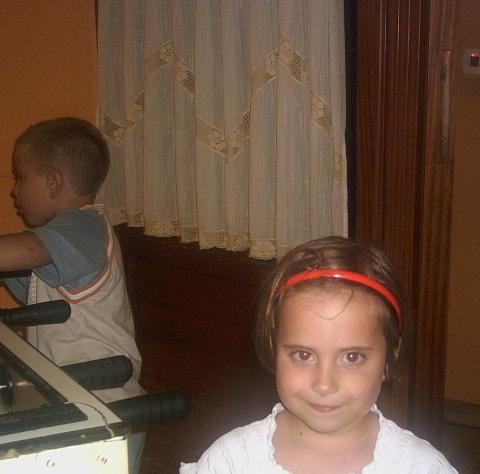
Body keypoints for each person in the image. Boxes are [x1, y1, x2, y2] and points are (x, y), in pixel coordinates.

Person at [180, 236, 457, 473]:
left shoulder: (421, 467)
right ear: (274, 348)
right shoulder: (231, 462)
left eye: (352, 357)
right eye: (303, 355)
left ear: (389, 358)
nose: (324, 384)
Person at [0, 117, 145, 474]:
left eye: (20, 177)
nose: (14, 191)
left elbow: (26, 251)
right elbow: (20, 268)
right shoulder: (64, 248)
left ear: (53, 182)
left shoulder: (84, 226)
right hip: (73, 400)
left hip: (104, 408)